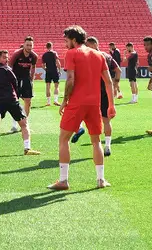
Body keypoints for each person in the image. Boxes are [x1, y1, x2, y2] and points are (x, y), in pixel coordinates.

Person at [47, 26, 115, 191]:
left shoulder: (71, 53)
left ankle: (63, 181)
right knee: (96, 140)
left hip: (77, 102)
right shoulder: (99, 55)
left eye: (66, 41)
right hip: (94, 104)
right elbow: (108, 82)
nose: (65, 44)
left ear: (73, 39)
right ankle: (101, 179)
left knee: (63, 139)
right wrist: (111, 105)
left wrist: (64, 101)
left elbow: (70, 79)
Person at [0, 50, 41, 156]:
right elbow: (16, 83)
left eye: (7, 57)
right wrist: (16, 97)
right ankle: (27, 148)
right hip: (11, 100)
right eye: (4, 57)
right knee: (24, 124)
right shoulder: (7, 70)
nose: (7, 59)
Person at [70, 37, 117, 157]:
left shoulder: (89, 56)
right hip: (105, 90)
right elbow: (118, 71)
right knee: (105, 120)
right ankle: (107, 146)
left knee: (85, 113)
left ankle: (80, 128)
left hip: (92, 91)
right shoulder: (106, 56)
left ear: (94, 45)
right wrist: (115, 84)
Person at [9, 36, 38, 131]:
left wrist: (32, 79)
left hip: (26, 79)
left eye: (31, 45)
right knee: (14, 101)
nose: (29, 47)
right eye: (27, 45)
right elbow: (9, 66)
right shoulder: (17, 54)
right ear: (24, 45)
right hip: (15, 79)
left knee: (28, 101)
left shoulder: (34, 56)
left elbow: (33, 67)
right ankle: (14, 124)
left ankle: (25, 122)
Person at [42, 42, 62, 107]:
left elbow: (43, 65)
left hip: (48, 72)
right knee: (56, 86)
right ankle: (55, 101)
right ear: (51, 46)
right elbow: (58, 62)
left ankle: (48, 102)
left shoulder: (44, 55)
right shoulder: (54, 53)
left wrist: (46, 69)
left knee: (48, 87)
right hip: (54, 71)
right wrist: (59, 70)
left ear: (46, 47)